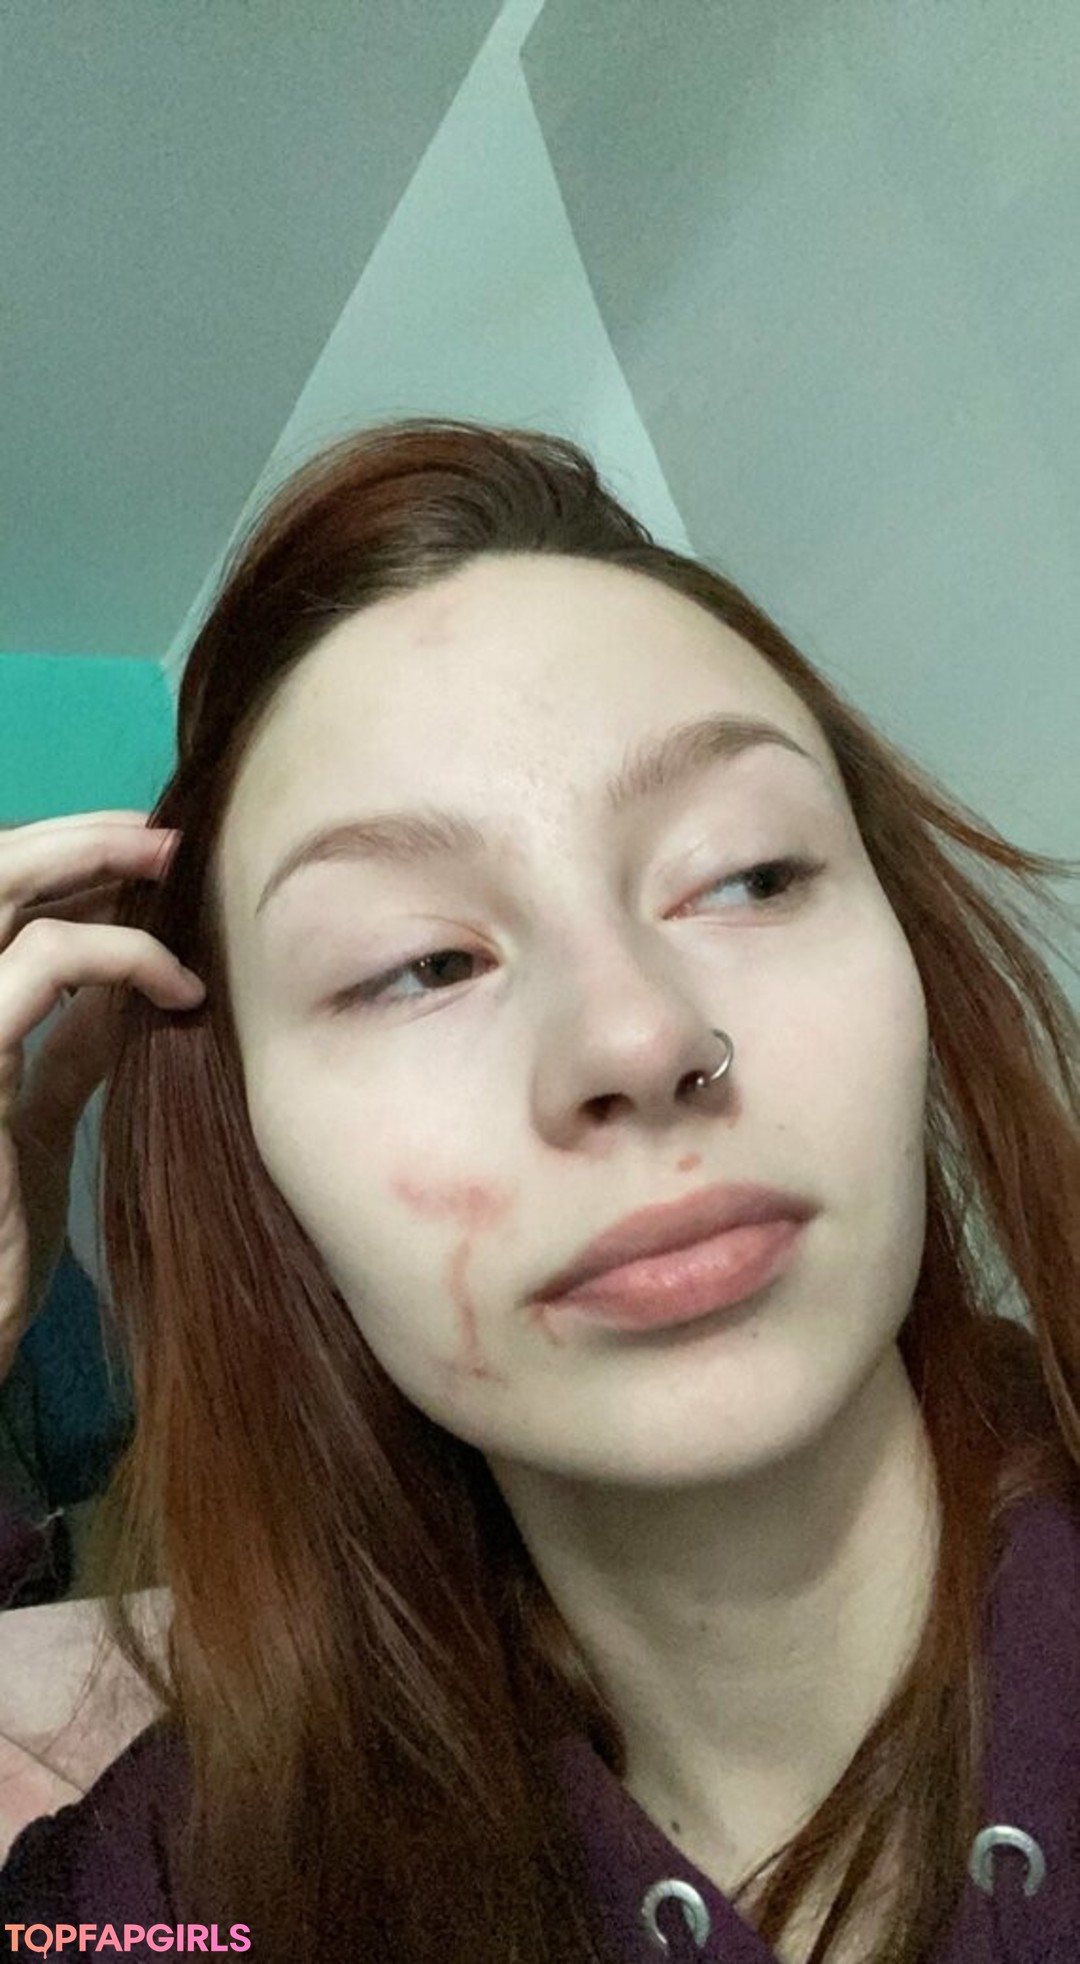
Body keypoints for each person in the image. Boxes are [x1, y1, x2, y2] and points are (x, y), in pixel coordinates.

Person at [0, 418, 1077, 1964]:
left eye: (750, 874)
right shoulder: (181, 1890)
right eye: (421, 964)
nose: (637, 1036)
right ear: (258, 1157)